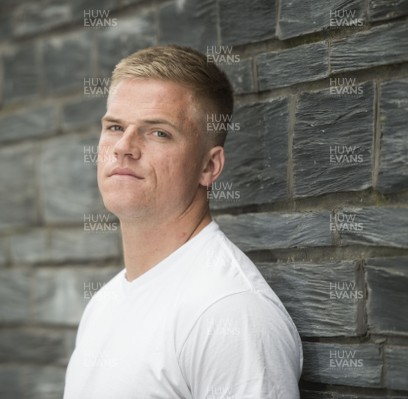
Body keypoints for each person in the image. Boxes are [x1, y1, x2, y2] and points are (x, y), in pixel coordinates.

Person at [63, 45, 303, 399]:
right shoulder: (103, 303)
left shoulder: (230, 312)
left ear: (209, 167)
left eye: (158, 132)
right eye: (115, 126)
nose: (124, 147)